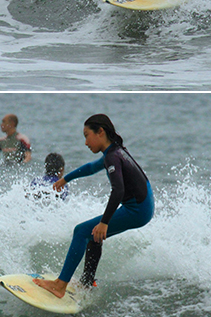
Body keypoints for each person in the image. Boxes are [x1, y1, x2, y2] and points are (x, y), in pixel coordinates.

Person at [33, 114, 155, 297]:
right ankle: (87, 282)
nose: (85, 142)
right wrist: (66, 178)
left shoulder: (113, 157)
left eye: (86, 135)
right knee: (93, 233)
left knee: (81, 231)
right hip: (143, 204)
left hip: (137, 209)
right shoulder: (114, 151)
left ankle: (59, 285)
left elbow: (118, 191)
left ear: (100, 132)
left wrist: (105, 222)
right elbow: (91, 168)